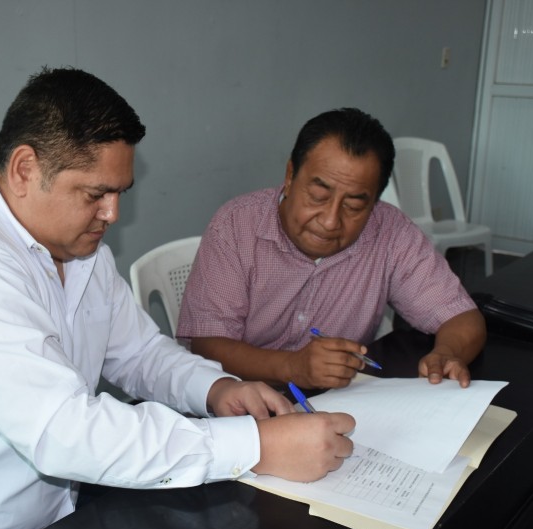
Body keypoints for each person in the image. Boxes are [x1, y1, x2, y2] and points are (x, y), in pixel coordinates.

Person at [0, 67, 355, 529]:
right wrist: (258, 447)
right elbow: (65, 432)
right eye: (96, 194)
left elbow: (138, 353)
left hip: (54, 517)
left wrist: (216, 390)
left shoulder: (78, 249)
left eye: (120, 193)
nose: (112, 214)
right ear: (25, 169)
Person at [177, 107, 486, 391]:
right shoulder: (236, 226)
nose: (329, 221)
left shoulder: (391, 233)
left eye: (353, 206)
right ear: (290, 176)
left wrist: (447, 353)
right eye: (318, 196)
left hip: (333, 400)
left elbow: (461, 316)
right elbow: (209, 345)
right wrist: (292, 367)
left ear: (374, 203)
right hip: (239, 403)